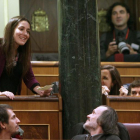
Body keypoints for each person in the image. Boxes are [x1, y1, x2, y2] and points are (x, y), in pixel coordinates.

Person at [0, 16, 52, 99]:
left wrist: (40, 90)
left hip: (13, 99)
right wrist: (1, 93)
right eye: (21, 29)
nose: (25, 34)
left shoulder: (23, 53)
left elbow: (29, 78)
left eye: (28, 31)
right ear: (11, 30)